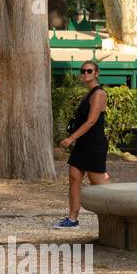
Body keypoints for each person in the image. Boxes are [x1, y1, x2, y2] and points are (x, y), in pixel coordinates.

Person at [56, 63, 111, 227]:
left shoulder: (99, 93)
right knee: (74, 178)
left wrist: (70, 138)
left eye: (89, 71)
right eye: (83, 71)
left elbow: (91, 121)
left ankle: (119, 211)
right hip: (83, 142)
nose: (85, 73)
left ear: (96, 73)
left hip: (94, 143)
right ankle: (72, 219)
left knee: (98, 181)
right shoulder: (89, 93)